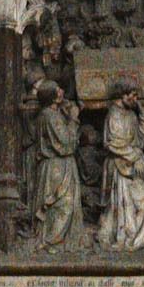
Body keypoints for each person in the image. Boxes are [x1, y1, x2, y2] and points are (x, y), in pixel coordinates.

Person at [100, 79, 144, 251]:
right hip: (120, 165)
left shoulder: (130, 114)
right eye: (133, 95)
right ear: (122, 95)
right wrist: (135, 156)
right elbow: (113, 143)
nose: (136, 99)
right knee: (125, 205)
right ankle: (127, 239)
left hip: (132, 164)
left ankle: (138, 239)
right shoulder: (114, 115)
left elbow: (141, 140)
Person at [31, 81, 83, 247]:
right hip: (57, 167)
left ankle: (57, 241)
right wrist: (74, 119)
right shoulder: (49, 115)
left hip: (58, 165)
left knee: (67, 204)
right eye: (58, 89)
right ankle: (50, 241)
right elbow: (66, 143)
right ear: (52, 96)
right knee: (62, 204)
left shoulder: (54, 113)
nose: (62, 91)